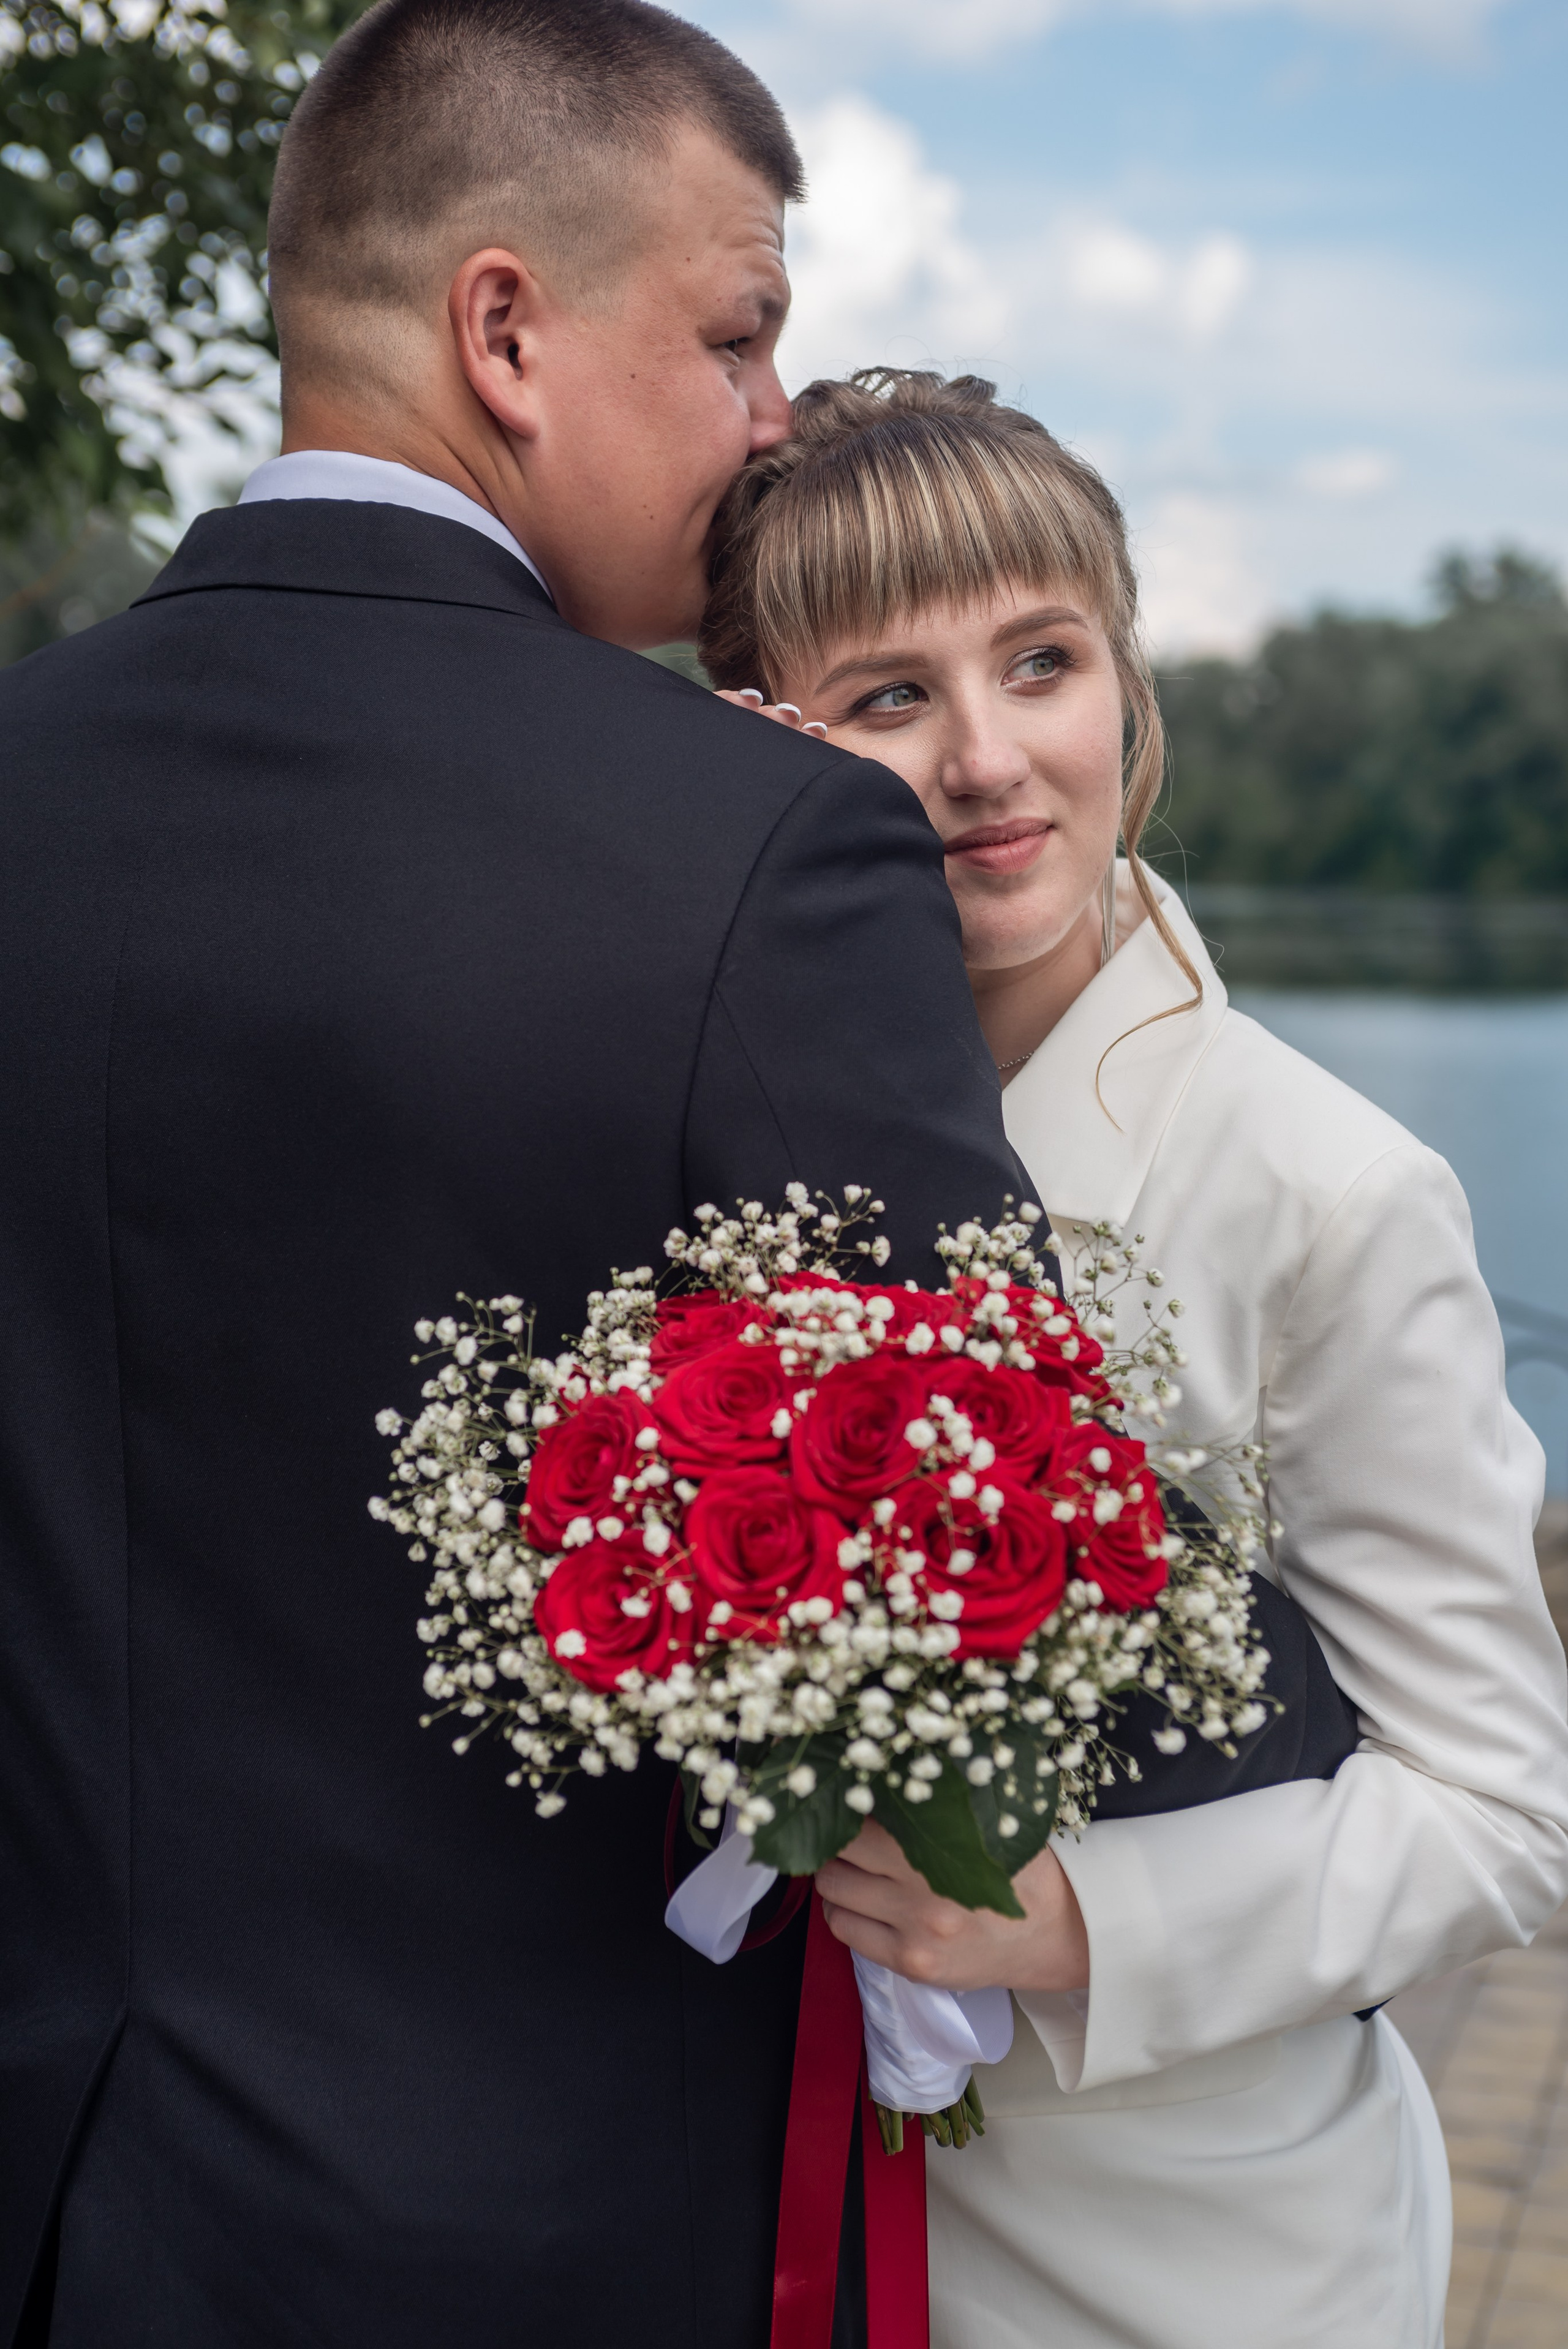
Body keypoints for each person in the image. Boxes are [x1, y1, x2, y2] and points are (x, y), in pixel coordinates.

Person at [0, 13, 1036, 2343]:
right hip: (521, 2242)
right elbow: (989, 1548)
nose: (775, 415)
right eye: (738, 330)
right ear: (504, 332)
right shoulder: (766, 849)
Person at [700, 368, 1568, 2348]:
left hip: (1195, 2240)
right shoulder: (735, 1136)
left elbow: (1509, 1809)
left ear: (1131, 687)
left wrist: (1080, 1920)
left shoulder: (1327, 1183)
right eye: (886, 697)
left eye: (1042, 660)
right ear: (764, 741)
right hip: (775, 2191)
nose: (990, 758)